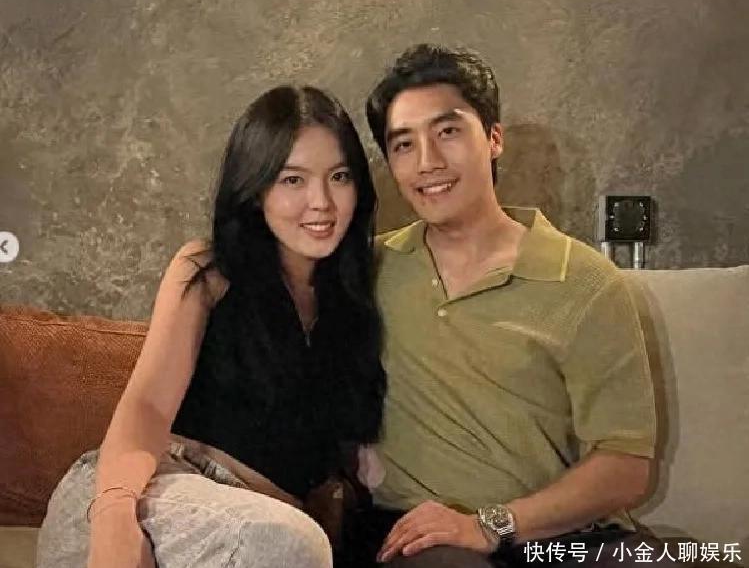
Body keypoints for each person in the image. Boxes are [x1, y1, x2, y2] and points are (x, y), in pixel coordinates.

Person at [37, 85, 386, 568]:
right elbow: (147, 408)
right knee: (291, 543)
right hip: (148, 492)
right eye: (292, 179)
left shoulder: (355, 298)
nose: (321, 202)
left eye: (339, 176)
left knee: (294, 542)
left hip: (258, 534)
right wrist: (115, 515)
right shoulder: (209, 271)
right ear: (256, 188)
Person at [346, 43, 664, 567]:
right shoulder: (369, 270)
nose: (427, 162)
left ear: (494, 138)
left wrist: (491, 524)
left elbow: (626, 466)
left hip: (566, 539)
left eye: (448, 132)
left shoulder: (587, 282)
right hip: (428, 538)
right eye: (403, 145)